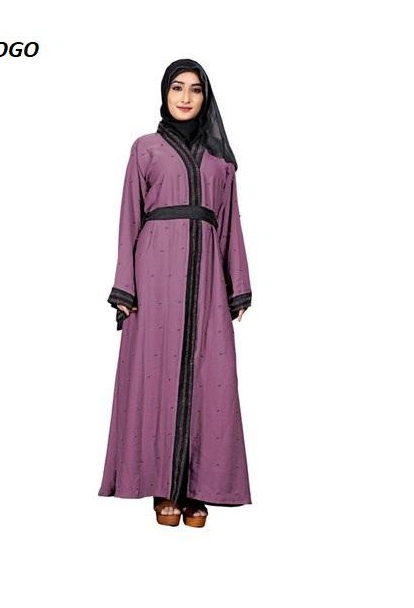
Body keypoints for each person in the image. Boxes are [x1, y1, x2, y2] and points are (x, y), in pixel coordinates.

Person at [98, 58, 253, 528]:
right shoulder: (144, 149)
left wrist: (237, 285)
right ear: (164, 93)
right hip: (154, 279)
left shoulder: (221, 162)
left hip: (206, 280)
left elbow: (230, 225)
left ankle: (198, 489)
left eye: (196, 89)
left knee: (210, 378)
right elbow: (128, 217)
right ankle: (163, 488)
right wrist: (125, 285)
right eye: (177, 88)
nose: (186, 97)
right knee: (155, 377)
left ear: (206, 97)